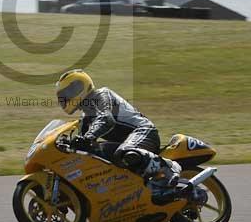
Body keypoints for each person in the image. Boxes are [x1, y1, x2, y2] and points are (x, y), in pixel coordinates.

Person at [55, 68, 184, 201]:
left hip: (144, 132)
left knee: (124, 152)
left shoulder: (102, 95)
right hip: (127, 142)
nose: (66, 98)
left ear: (80, 87)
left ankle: (169, 166)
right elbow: (83, 149)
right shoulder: (85, 117)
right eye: (63, 96)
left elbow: (106, 119)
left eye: (68, 92)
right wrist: (68, 144)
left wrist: (88, 137)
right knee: (95, 154)